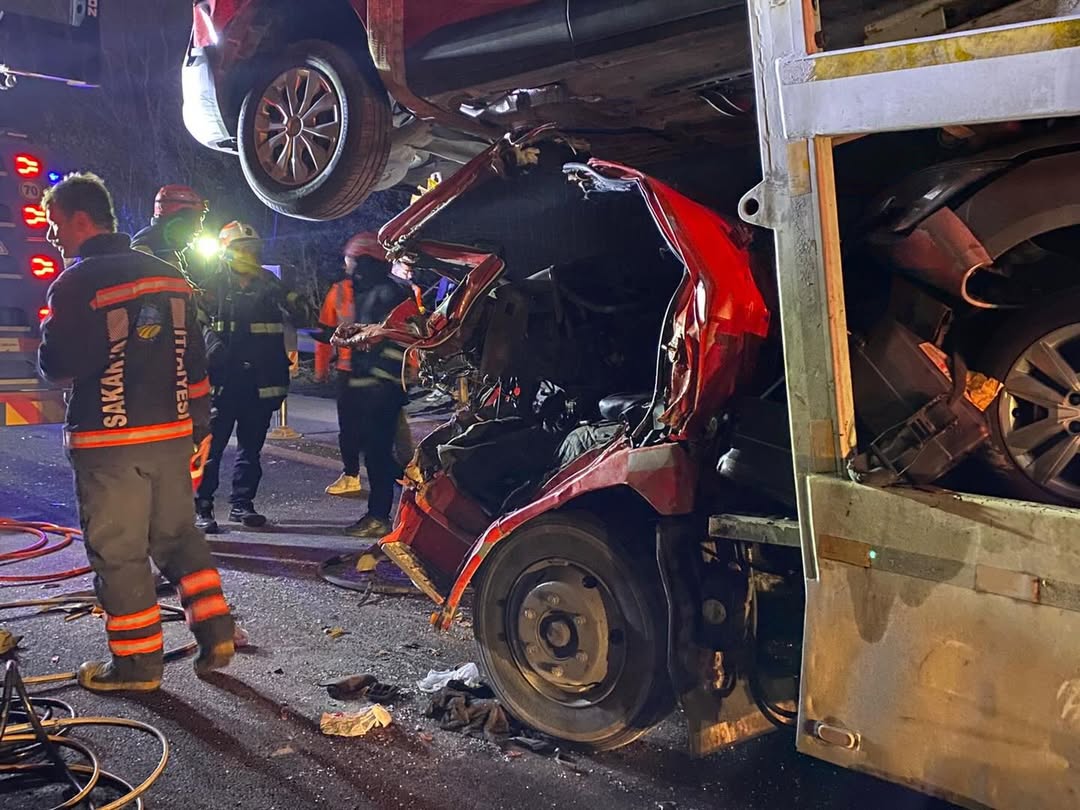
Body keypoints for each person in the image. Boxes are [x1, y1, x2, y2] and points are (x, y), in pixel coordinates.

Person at [37, 173, 234, 692]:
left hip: (109, 444)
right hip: (171, 437)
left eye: (55, 225)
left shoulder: (76, 283)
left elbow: (61, 365)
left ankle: (138, 666)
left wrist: (48, 336)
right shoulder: (168, 276)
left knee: (119, 553)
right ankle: (216, 631)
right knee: (177, 536)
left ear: (82, 218)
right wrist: (200, 426)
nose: (52, 237)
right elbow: (195, 362)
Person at [195, 221, 306, 533]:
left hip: (259, 384)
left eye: (252, 250)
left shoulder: (271, 285)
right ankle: (202, 506)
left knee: (251, 450)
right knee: (210, 451)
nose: (247, 255)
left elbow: (304, 315)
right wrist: (210, 347)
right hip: (222, 384)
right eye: (241, 249)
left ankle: (242, 504)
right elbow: (194, 328)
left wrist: (289, 295)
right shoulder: (211, 286)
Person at [316, 232, 408, 538]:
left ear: (364, 262)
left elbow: (391, 343)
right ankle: (403, 501)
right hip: (372, 389)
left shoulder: (383, 294)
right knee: (377, 452)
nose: (347, 267)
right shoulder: (380, 291)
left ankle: (379, 516)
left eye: (351, 261)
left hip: (378, 391)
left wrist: (377, 384)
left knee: (379, 454)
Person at [131, 185, 208, 274]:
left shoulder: (174, 249)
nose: (199, 228)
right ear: (176, 221)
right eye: (193, 221)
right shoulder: (144, 253)